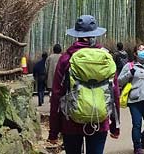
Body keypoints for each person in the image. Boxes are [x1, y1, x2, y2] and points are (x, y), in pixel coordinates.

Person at [48, 15, 120, 154]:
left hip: (71, 122)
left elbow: (57, 95)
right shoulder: (105, 58)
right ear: (95, 34)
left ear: (77, 35)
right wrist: (115, 127)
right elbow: (114, 93)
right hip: (99, 121)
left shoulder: (66, 59)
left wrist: (54, 131)